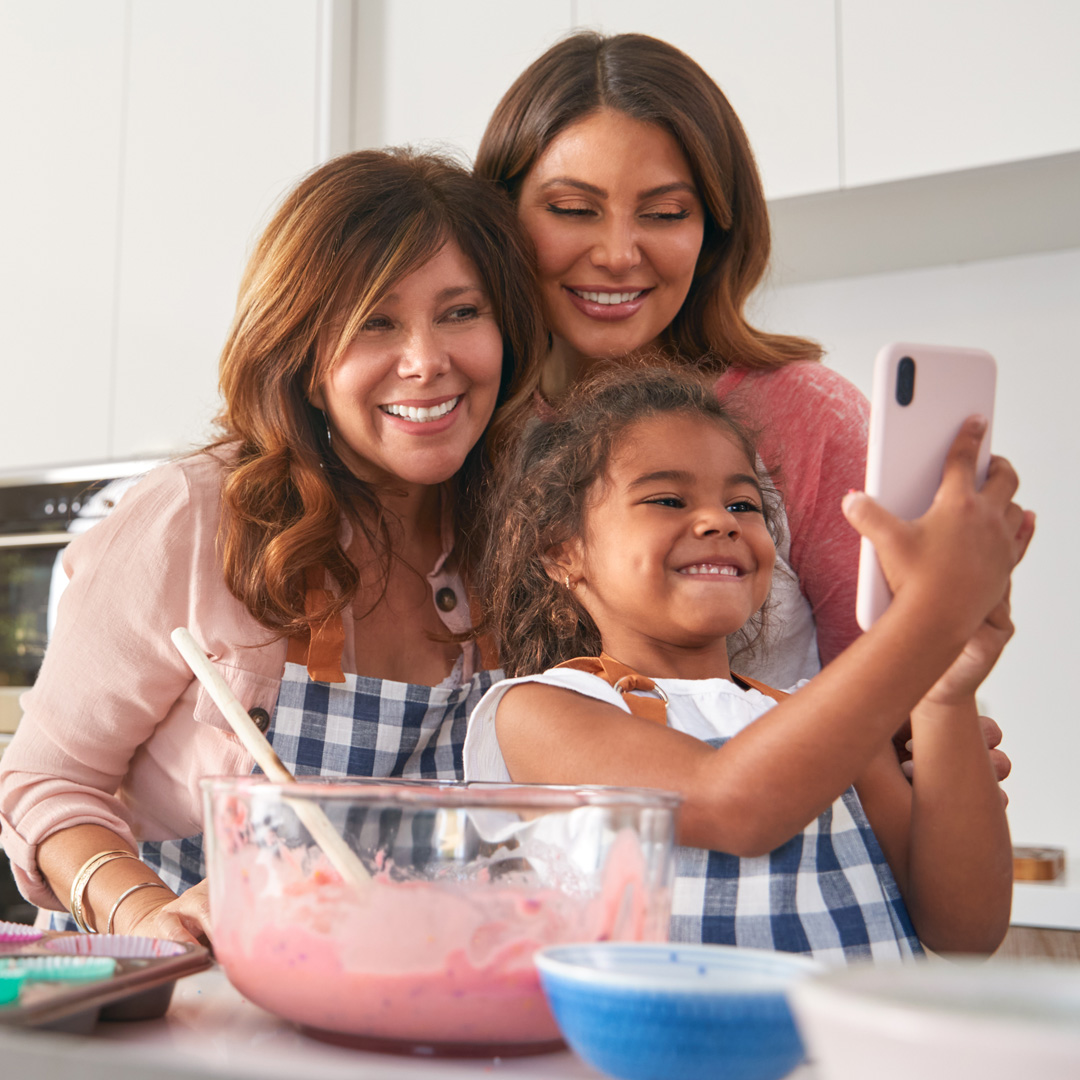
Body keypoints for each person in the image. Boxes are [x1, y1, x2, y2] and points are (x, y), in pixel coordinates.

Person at [0, 149, 544, 942]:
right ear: (304, 354)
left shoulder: (529, 529)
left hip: (435, 1001)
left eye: (461, 312)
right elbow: (44, 781)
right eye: (374, 322)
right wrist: (145, 914)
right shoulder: (194, 515)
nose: (428, 360)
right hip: (205, 1011)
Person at [474, 29, 1012, 775]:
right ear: (501, 218)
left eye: (665, 214)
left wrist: (939, 744)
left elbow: (903, 706)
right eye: (573, 208)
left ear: (714, 233)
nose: (619, 252)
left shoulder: (805, 416)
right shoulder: (470, 422)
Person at [464, 364, 1034, 962]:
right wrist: (929, 621)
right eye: (667, 499)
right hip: (677, 1055)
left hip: (858, 1056)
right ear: (563, 552)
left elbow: (966, 930)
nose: (719, 521)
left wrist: (945, 691)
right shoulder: (541, 712)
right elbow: (734, 805)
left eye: (744, 503)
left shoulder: (821, 720)